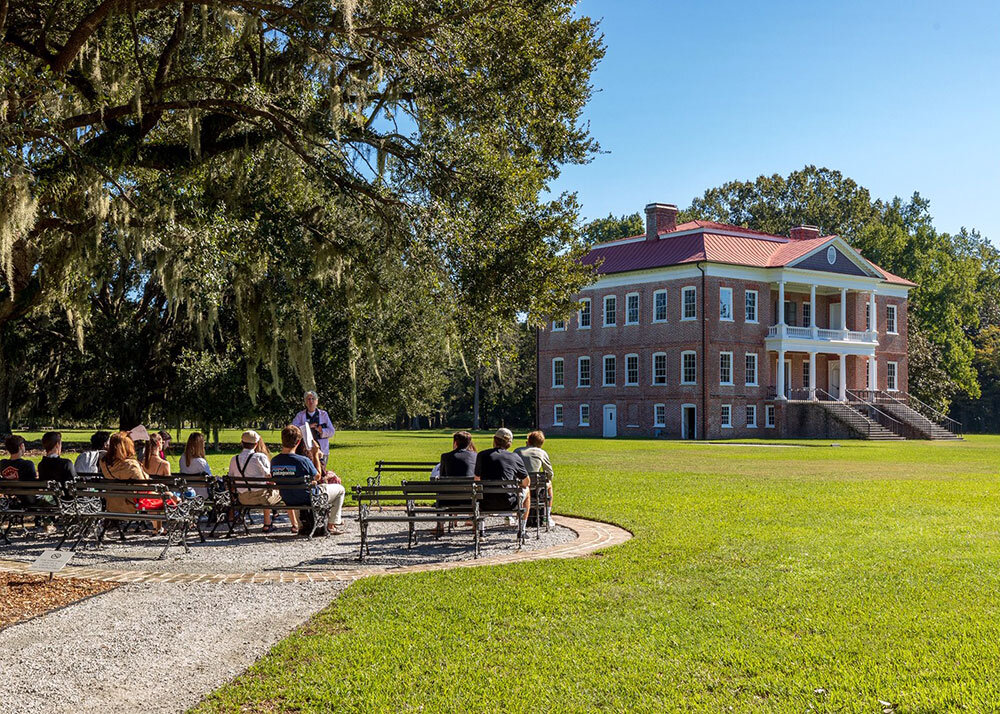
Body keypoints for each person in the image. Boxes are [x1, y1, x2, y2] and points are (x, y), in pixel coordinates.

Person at [271, 425, 344, 535]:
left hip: (288, 498)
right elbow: (318, 476)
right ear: (299, 442)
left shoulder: (275, 461)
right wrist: (315, 454)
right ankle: (331, 525)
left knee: (295, 490)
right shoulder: (303, 461)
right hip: (308, 497)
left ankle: (301, 526)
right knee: (340, 489)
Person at [474, 428, 529, 530]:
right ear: (509, 444)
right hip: (509, 503)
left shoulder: (482, 455)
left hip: (485, 502)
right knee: (527, 491)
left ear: (494, 440)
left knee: (479, 490)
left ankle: (481, 531)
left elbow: (477, 479)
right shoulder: (514, 457)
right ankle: (522, 528)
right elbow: (526, 482)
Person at [99, 432, 157, 526]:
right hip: (132, 505)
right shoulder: (130, 465)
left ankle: (158, 529)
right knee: (168, 497)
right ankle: (159, 529)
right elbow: (143, 488)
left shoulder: (104, 463)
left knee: (166, 496)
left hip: (112, 505)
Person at [228, 430, 281, 533]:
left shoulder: (234, 459)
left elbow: (231, 478)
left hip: (243, 498)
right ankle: (267, 523)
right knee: (271, 490)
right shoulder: (260, 457)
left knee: (265, 489)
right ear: (256, 444)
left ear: (241, 443)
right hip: (262, 498)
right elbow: (269, 476)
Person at [432, 431, 478, 535]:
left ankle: (440, 526)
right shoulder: (475, 456)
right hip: (471, 500)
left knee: (440, 492)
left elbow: (443, 477)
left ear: (455, 442)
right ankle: (476, 527)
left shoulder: (445, 457)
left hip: (449, 500)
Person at [514, 430, 554, 527]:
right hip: (536, 484)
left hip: (520, 485)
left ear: (529, 441)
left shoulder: (517, 451)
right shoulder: (542, 453)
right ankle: (547, 516)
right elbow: (550, 474)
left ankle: (510, 517)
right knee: (549, 485)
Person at [292, 391, 335, 462]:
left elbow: (332, 431)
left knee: (321, 471)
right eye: (308, 399)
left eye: (313, 399)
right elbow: (293, 429)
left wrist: (322, 431)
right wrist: (307, 426)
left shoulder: (324, 414)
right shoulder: (300, 415)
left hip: (322, 450)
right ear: (305, 402)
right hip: (305, 451)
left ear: (317, 401)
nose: (311, 401)